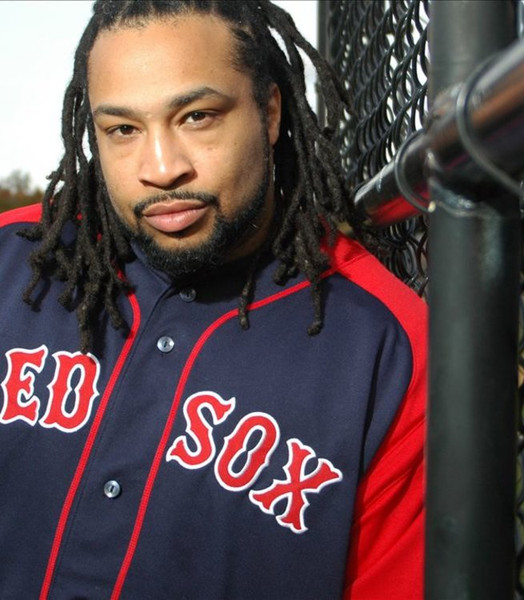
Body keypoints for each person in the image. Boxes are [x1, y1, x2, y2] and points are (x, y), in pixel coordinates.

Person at [0, 1, 427, 598]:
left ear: (270, 112)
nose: (161, 168)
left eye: (197, 117)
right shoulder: (14, 259)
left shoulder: (390, 346)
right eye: (123, 129)